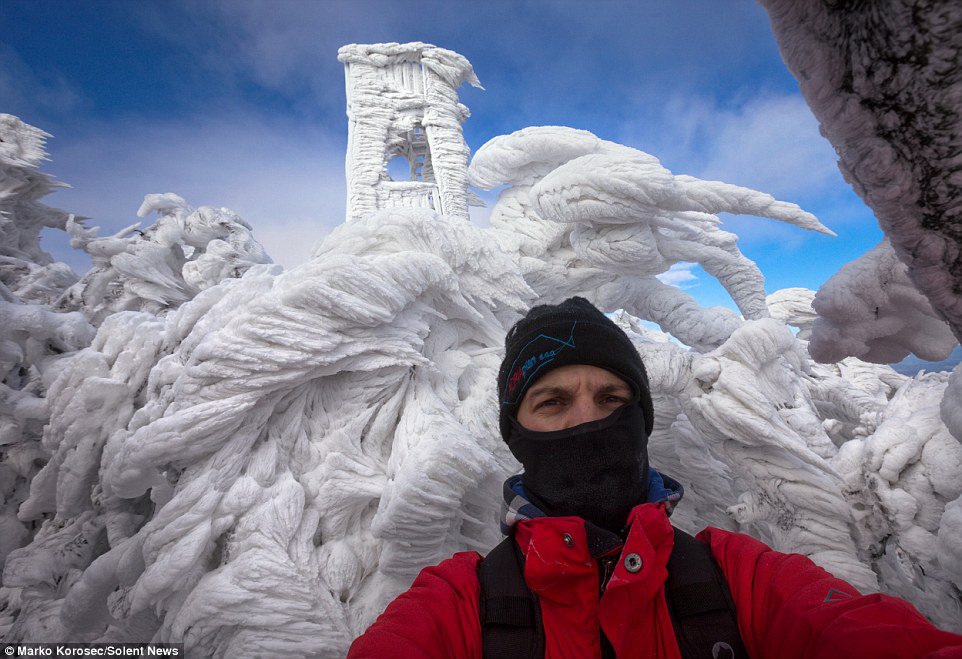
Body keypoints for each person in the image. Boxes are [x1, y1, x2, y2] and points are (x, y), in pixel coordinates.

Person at [348, 297, 962, 658]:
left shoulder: (739, 578)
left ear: (642, 420)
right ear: (518, 434)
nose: (588, 421)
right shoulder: (459, 603)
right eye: (553, 402)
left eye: (612, 398)